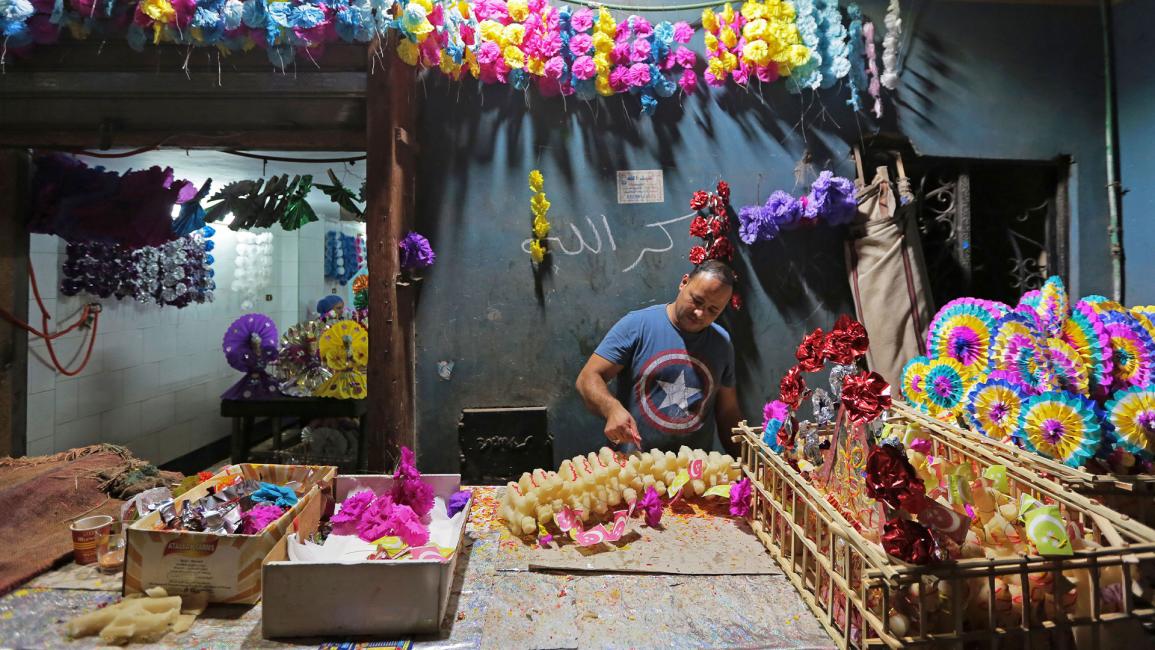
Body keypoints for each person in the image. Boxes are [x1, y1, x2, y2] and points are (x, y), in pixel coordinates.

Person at [576, 260, 741, 457]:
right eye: (697, 301)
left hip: (694, 473)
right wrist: (611, 408)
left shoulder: (721, 342)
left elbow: (727, 413)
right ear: (684, 283)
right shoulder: (638, 325)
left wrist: (748, 466)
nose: (700, 313)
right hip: (634, 466)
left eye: (713, 310)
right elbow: (587, 377)